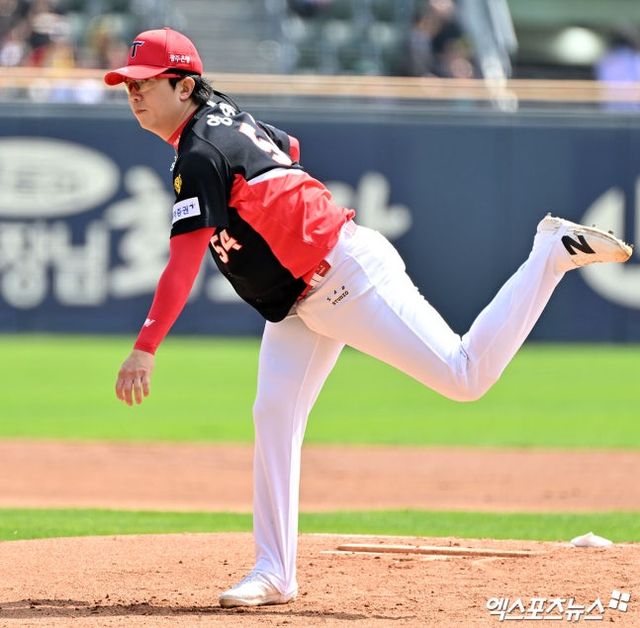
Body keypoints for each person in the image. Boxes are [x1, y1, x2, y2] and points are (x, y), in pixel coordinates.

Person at [106, 27, 632, 608]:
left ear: (184, 86)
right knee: (274, 416)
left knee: (464, 375)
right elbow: (289, 146)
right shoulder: (221, 120)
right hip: (296, 300)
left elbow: (183, 262)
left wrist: (145, 347)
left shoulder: (201, 151)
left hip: (347, 278)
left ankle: (550, 254)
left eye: (145, 83)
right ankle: (275, 571)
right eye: (128, 85)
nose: (134, 94)